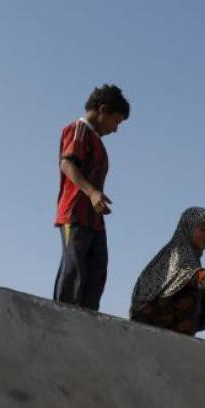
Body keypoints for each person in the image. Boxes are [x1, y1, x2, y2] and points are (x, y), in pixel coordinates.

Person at [53, 84, 129, 309]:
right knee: (74, 268)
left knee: (96, 270)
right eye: (116, 121)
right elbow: (67, 164)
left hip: (94, 219)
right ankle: (61, 315)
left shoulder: (98, 143)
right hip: (75, 213)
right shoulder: (79, 130)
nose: (115, 129)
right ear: (103, 110)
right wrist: (92, 192)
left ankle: (87, 318)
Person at [130, 207, 205, 336]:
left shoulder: (190, 256)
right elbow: (198, 275)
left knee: (202, 294)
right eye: (203, 230)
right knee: (195, 292)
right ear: (188, 228)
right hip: (149, 319)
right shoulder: (179, 253)